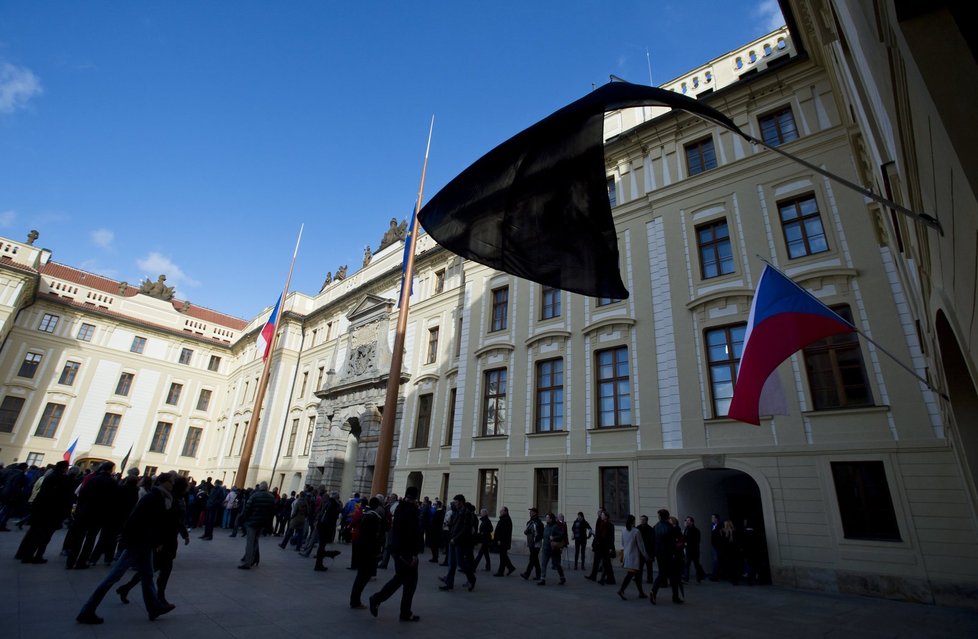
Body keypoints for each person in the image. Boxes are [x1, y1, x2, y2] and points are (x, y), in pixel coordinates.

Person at [76, 472, 178, 624]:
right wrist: (127, 538)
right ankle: (87, 610)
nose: (172, 484)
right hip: (138, 542)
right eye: (171, 481)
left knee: (148, 575)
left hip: (146, 543)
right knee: (113, 577)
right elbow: (136, 518)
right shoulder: (153, 497)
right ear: (163, 482)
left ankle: (154, 607)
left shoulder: (162, 498)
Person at [117, 475, 190, 604]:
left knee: (153, 568)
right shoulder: (170, 499)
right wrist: (159, 541)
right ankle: (159, 597)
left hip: (171, 538)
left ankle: (127, 588)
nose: (188, 487)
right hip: (164, 539)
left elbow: (178, 521)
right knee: (161, 569)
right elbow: (165, 521)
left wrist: (184, 534)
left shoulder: (178, 499)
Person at [369, 486, 423, 622]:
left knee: (403, 580)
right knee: (406, 581)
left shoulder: (399, 507)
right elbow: (411, 533)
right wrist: (413, 554)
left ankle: (402, 610)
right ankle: (379, 599)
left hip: (398, 549)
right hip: (406, 552)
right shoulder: (411, 510)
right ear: (416, 497)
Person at [16, 460, 74, 564]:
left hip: (40, 509)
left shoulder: (49, 476)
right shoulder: (61, 479)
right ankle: (35, 556)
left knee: (33, 533)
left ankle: (23, 553)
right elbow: (63, 497)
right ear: (64, 468)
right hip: (51, 511)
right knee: (43, 536)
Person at [350, 497, 384, 608]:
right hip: (368, 551)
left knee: (362, 575)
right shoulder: (374, 518)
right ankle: (355, 601)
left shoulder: (366, 515)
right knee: (363, 575)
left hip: (362, 548)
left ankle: (355, 599)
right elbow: (374, 537)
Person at [439, 494, 477, 591]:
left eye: (456, 502)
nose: (455, 504)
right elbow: (456, 524)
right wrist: (449, 525)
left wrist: (455, 538)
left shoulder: (467, 513)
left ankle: (472, 578)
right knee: (451, 564)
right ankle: (449, 584)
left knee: (460, 563)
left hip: (459, 541)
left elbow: (465, 528)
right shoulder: (458, 511)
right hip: (453, 540)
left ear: (461, 502)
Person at [237, 481, 276, 569]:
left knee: (250, 542)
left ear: (260, 487)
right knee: (255, 540)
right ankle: (254, 558)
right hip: (262, 523)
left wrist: (244, 519)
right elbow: (272, 512)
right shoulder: (271, 497)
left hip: (252, 522)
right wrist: (269, 524)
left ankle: (248, 562)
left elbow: (247, 508)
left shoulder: (254, 496)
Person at [650, 509, 683, 605]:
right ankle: (675, 597)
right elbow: (677, 540)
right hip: (670, 554)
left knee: (661, 574)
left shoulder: (656, 527)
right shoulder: (671, 528)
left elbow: (653, 541)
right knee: (674, 576)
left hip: (659, 554)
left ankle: (653, 591)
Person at [617, 514, 648, 600]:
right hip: (635, 556)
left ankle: (641, 592)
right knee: (631, 574)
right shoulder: (636, 531)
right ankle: (621, 590)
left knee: (637, 575)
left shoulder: (623, 530)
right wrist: (645, 555)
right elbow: (641, 545)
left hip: (627, 554)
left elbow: (623, 543)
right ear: (633, 522)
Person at [585, 509, 616, 585]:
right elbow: (598, 535)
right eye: (601, 515)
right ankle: (594, 576)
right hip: (599, 546)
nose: (601, 516)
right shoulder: (600, 523)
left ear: (606, 517)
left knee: (607, 563)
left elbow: (611, 538)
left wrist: (611, 548)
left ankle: (610, 579)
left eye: (602, 515)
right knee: (597, 561)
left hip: (605, 547)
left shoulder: (610, 525)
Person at [537, 512, 566, 586]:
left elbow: (561, 535)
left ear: (551, 519)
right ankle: (542, 579)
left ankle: (562, 577)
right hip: (545, 548)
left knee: (557, 565)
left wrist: (554, 537)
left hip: (554, 549)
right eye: (546, 517)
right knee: (543, 564)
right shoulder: (546, 526)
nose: (546, 519)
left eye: (547, 517)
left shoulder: (555, 527)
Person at [520, 506, 544, 581]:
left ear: (535, 513)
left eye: (531, 512)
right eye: (530, 512)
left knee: (532, 559)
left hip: (536, 544)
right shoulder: (530, 522)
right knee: (535, 560)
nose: (530, 513)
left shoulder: (538, 522)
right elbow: (526, 531)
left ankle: (527, 574)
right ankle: (538, 575)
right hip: (531, 543)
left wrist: (535, 540)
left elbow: (540, 534)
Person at [493, 506, 516, 576]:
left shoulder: (506, 519)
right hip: (503, 541)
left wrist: (500, 540)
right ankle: (510, 567)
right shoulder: (504, 518)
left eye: (502, 510)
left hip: (503, 542)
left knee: (503, 557)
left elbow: (504, 532)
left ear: (505, 511)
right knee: (503, 556)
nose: (500, 511)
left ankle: (501, 572)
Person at [683, 515, 705, 583]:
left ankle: (699, 577)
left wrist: (687, 543)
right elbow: (684, 538)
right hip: (688, 549)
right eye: (686, 520)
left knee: (696, 564)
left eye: (688, 520)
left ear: (692, 522)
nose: (687, 521)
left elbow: (696, 540)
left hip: (694, 550)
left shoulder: (695, 530)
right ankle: (686, 578)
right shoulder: (686, 529)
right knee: (687, 564)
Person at [473, 507, 494, 572]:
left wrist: (484, 532)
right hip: (484, 539)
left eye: (481, 512)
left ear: (485, 513)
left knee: (480, 553)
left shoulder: (487, 521)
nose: (481, 513)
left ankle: (473, 567)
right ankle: (488, 567)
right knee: (486, 554)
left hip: (485, 540)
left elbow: (491, 529)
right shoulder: (484, 520)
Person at [637, 514, 656, 584]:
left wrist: (652, 553)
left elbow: (652, 542)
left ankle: (650, 578)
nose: (642, 521)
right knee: (640, 566)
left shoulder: (651, 529)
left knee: (649, 566)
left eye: (643, 520)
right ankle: (638, 578)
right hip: (640, 551)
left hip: (648, 550)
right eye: (641, 519)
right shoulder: (638, 528)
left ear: (646, 521)